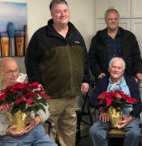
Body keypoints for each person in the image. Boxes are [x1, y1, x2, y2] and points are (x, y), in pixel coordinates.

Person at [25, 0, 90, 145]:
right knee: (48, 131)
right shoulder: (41, 36)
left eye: (65, 10)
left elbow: (84, 60)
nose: (63, 14)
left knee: (69, 131)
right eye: (58, 11)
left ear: (69, 12)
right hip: (50, 95)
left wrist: (85, 79)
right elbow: (31, 62)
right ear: (52, 14)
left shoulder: (76, 35)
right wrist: (36, 84)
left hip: (71, 94)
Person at [0, 57, 56, 146]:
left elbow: (44, 108)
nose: (14, 74)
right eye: (9, 71)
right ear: (0, 73)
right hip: (9, 138)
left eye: (16, 70)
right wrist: (5, 130)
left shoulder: (29, 88)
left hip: (36, 133)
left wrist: (37, 120)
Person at [89, 57, 142, 146]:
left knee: (135, 133)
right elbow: (92, 100)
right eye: (114, 67)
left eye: (119, 68)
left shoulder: (131, 82)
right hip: (108, 118)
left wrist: (130, 118)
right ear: (109, 69)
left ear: (123, 70)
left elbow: (138, 105)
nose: (116, 70)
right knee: (94, 131)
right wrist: (102, 109)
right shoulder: (103, 81)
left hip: (128, 117)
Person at [88, 8, 142, 81]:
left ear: (118, 20)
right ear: (105, 20)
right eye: (110, 19)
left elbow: (136, 56)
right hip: (105, 79)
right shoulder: (97, 38)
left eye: (115, 19)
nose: (113, 21)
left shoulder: (129, 37)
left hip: (126, 79)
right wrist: (98, 72)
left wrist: (139, 71)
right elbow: (91, 58)